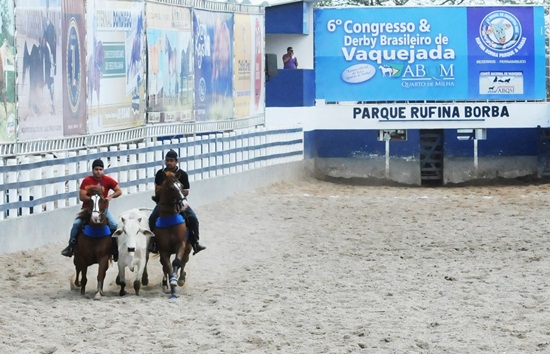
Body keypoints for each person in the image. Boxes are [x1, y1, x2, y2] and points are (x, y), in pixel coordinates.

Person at [148, 149, 206, 255]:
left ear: (176, 161)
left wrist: (176, 193)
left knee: (193, 218)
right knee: (152, 218)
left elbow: (186, 191)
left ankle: (196, 242)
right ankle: (154, 243)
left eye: (171, 160)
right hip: (164, 202)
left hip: (179, 201)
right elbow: (157, 189)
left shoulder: (182, 174)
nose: (169, 163)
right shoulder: (160, 174)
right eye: (167, 160)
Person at [61, 159, 122, 258]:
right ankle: (71, 246)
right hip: (87, 209)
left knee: (114, 225)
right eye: (96, 169)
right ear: (93, 170)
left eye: (100, 169)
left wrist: (110, 196)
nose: (98, 171)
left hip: (102, 210)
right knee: (76, 224)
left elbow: (119, 191)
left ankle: (114, 249)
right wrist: (94, 199)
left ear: (103, 170)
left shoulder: (108, 180)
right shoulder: (87, 181)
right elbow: (82, 196)